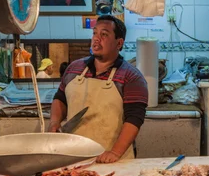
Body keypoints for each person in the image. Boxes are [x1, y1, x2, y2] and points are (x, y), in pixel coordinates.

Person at [49, 15, 149, 163]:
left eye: (104, 34)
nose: (96, 38)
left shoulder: (132, 77)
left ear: (119, 43)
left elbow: (134, 119)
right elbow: (60, 98)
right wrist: (54, 122)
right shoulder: (73, 69)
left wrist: (115, 152)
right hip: (72, 157)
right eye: (95, 33)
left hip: (112, 160)